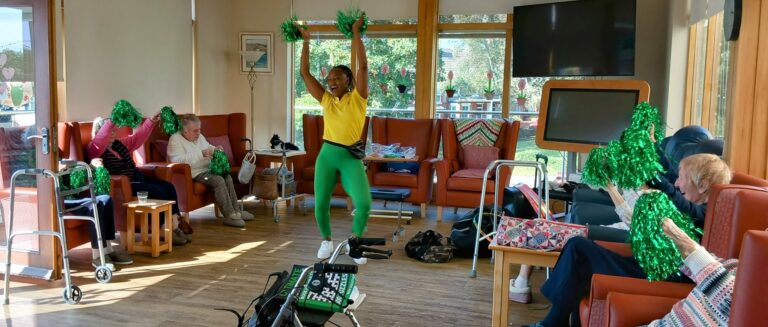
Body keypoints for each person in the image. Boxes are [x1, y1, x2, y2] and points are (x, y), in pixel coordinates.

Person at [522, 153, 732, 327]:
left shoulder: (704, 214)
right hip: (650, 266)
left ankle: (552, 323)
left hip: (665, 277)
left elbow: (680, 203)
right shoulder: (699, 209)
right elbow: (638, 222)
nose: (677, 183)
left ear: (703, 185)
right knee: (578, 247)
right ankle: (554, 321)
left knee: (579, 250)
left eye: (682, 177)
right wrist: (612, 186)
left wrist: (653, 178)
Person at [297, 16, 371, 264]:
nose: (331, 82)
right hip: (327, 154)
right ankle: (326, 240)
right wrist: (306, 42)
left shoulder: (358, 98)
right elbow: (304, 72)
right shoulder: (327, 100)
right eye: (329, 80)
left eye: (337, 78)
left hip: (350, 156)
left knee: (364, 202)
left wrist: (356, 33)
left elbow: (363, 68)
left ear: (348, 80)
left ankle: (354, 243)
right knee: (320, 204)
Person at [88, 113, 191, 245]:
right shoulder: (95, 149)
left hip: (137, 177)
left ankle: (175, 226)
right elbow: (100, 140)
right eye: (110, 130)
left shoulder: (118, 144)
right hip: (126, 184)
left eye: (115, 130)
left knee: (169, 187)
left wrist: (150, 122)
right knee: (160, 192)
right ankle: (160, 230)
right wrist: (112, 121)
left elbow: (137, 138)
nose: (113, 133)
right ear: (99, 132)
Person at [643, 218, 746, 327]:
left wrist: (687, 245)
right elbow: (700, 267)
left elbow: (739, 307)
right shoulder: (741, 265)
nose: (766, 229)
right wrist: (664, 243)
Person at [166, 114, 253, 228]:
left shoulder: (199, 136)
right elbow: (176, 160)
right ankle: (229, 215)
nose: (199, 133)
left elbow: (208, 146)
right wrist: (200, 154)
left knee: (227, 177)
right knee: (218, 180)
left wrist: (216, 149)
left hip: (207, 169)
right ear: (185, 131)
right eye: (195, 131)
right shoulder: (175, 140)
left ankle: (237, 211)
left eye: (199, 129)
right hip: (194, 173)